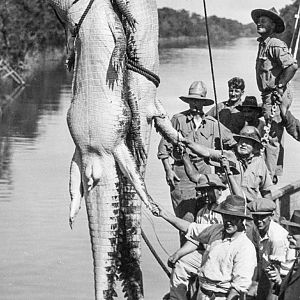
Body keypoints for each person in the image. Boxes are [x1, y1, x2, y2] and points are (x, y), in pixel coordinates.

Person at [157, 81, 236, 244]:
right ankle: (185, 258)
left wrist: (223, 160)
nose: (195, 105)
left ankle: (204, 255)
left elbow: (233, 142)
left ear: (204, 103)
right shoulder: (178, 120)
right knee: (185, 222)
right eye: (192, 101)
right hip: (182, 178)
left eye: (198, 101)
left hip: (205, 178)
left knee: (206, 220)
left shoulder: (213, 124)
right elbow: (163, 148)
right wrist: (168, 170)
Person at [155, 195, 257, 300]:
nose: (228, 221)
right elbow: (191, 228)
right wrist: (164, 214)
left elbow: (238, 288)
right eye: (226, 216)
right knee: (182, 263)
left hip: (221, 296)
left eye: (234, 218)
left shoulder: (245, 247)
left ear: (241, 220)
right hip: (203, 293)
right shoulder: (217, 230)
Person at [252, 7, 298, 182]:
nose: (259, 23)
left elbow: (292, 66)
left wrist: (279, 85)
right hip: (269, 95)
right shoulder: (263, 44)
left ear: (272, 25)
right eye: (259, 20)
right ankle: (274, 173)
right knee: (275, 134)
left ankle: (268, 177)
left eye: (264, 21)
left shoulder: (275, 44)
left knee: (272, 136)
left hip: (276, 94)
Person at [181, 125, 273, 203]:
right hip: (231, 207)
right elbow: (206, 152)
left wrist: (270, 209)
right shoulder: (229, 155)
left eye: (248, 142)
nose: (243, 145)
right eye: (241, 141)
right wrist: (189, 143)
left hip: (251, 208)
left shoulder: (260, 163)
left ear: (255, 146)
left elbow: (266, 192)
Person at [248, 199, 296, 300]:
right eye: (255, 216)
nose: (258, 220)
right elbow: (258, 256)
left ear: (271, 216)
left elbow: (275, 271)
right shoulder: (255, 228)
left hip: (282, 277)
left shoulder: (276, 237)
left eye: (263, 217)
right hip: (266, 271)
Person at [266, 210, 300, 300]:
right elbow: (291, 292)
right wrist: (279, 281)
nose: (289, 236)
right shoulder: (298, 260)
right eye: (289, 231)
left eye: (294, 232)